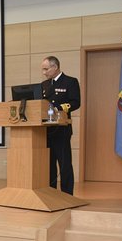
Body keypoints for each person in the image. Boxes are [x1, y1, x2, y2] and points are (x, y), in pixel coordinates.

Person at [40, 56, 80, 195]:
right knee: (49, 165)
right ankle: (51, 194)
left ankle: (67, 195)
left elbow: (76, 102)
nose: (44, 72)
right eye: (43, 69)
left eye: (46, 69)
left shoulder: (70, 82)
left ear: (55, 67)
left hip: (62, 129)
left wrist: (59, 108)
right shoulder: (44, 85)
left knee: (64, 164)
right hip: (46, 130)